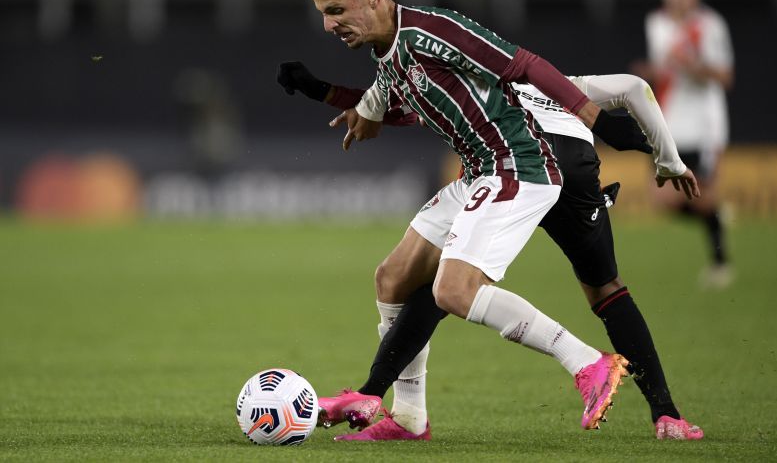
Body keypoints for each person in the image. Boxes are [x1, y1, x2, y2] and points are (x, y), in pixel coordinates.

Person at [279, 63, 704, 441]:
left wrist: (322, 90)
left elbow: (398, 109)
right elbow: (634, 88)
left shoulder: (467, 87)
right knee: (605, 291)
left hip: (508, 164)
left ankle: (586, 364)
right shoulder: (554, 83)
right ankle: (667, 415)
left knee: (447, 281)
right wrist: (669, 160)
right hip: (570, 165)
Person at [633, 0, 734, 288]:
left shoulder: (709, 25)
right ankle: (717, 213)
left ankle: (720, 263)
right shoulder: (656, 23)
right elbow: (666, 73)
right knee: (662, 200)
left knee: (699, 195)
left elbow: (724, 76)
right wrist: (650, 73)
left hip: (703, 126)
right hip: (667, 123)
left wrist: (691, 65)